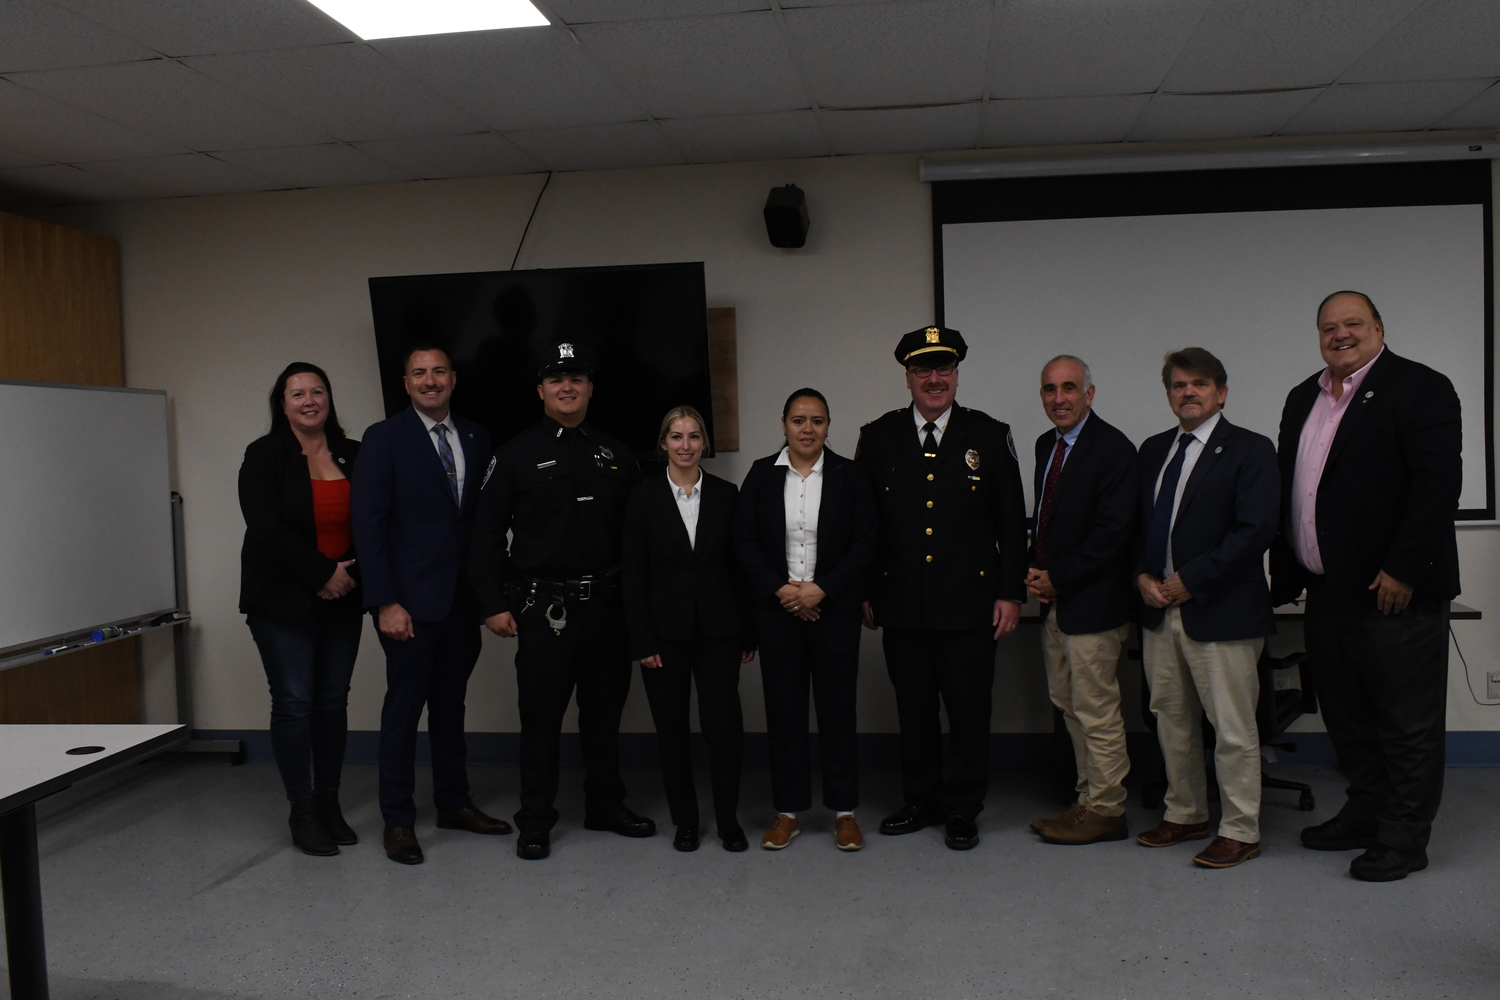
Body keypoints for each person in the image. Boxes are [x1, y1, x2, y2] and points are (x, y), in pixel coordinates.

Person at [1271, 291, 1461, 882]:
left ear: (1379, 327)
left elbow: (1436, 487)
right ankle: (1366, 812)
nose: (1340, 334)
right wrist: (1290, 573)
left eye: (1353, 323)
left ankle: (1404, 839)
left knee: (1406, 724)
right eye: (1329, 327)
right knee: (1347, 717)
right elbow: (1292, 488)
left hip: (1394, 592)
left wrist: (1404, 568)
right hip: (1327, 591)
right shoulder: (1304, 396)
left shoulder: (1422, 388)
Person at [470, 342, 652, 861]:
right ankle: (535, 818)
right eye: (555, 379)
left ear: (591, 387)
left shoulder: (617, 454)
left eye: (576, 377)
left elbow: (636, 542)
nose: (566, 387)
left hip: (608, 608)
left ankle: (605, 806)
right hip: (544, 609)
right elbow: (485, 535)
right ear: (540, 390)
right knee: (541, 720)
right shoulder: (514, 455)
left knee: (604, 715)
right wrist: (492, 602)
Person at [855, 326, 1027, 851]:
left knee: (969, 710)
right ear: (907, 377)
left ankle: (963, 807)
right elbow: (863, 523)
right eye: (923, 369)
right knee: (914, 709)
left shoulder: (990, 435)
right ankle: (921, 799)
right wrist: (865, 587)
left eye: (944, 369)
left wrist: (1010, 592)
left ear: (957, 374)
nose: (935, 379)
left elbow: (1010, 521)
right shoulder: (877, 436)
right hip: (902, 602)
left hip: (969, 604)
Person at [350, 344, 507, 866]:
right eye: (419, 373)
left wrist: (490, 598)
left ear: (454, 379)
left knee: (451, 710)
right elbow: (368, 528)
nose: (430, 380)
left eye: (439, 372)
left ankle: (453, 802)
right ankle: (398, 820)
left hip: (461, 603)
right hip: (409, 607)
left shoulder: (477, 436)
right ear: (406, 382)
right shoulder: (383, 439)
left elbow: (482, 526)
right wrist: (384, 602)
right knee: (403, 713)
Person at [1134, 347, 1279, 869]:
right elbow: (1134, 529)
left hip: (1221, 610)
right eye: (1178, 385)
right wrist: (1143, 577)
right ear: (1169, 394)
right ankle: (1186, 813)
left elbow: (1254, 530)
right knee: (1170, 719)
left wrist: (1187, 583)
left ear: (1221, 392)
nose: (1187, 392)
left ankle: (1240, 829)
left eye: (1199, 384)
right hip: (1158, 610)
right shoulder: (1152, 451)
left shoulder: (1250, 449)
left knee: (1233, 728)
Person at [733, 388, 876, 852]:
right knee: (785, 714)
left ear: (829, 426)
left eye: (817, 421)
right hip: (778, 615)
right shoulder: (759, 475)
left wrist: (821, 589)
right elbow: (744, 544)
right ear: (783, 424)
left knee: (838, 712)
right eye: (799, 420)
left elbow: (864, 543)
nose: (807, 429)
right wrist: (784, 591)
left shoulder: (849, 475)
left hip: (832, 613)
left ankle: (845, 812)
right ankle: (788, 811)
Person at [239, 362, 363, 856]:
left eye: (318, 391)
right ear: (282, 403)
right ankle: (302, 810)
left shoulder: (355, 454)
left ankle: (329, 801)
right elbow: (265, 527)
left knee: (332, 702)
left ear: (330, 398)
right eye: (297, 394)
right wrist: (322, 574)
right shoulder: (265, 454)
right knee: (295, 703)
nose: (309, 400)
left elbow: (375, 519)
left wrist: (345, 579)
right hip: (282, 600)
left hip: (344, 597)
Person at [622, 405, 755, 853]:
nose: (685, 445)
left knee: (724, 729)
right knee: (672, 731)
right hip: (663, 637)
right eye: (676, 437)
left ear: (704, 444)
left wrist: (748, 632)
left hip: (720, 632)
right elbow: (633, 575)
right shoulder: (641, 499)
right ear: (663, 443)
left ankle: (728, 821)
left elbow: (741, 569)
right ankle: (686, 822)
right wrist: (640, 639)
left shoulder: (726, 493)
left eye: (694, 437)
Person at [1024, 355, 1139, 845]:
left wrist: (1057, 579)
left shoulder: (1113, 449)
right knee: (1069, 705)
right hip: (1056, 605)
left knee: (1095, 709)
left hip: (1093, 605)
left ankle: (1108, 808)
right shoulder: (1044, 445)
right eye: (1050, 390)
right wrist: (1033, 572)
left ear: (1089, 394)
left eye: (1069, 388)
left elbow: (1112, 535)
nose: (1059, 399)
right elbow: (1048, 523)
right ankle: (1088, 800)